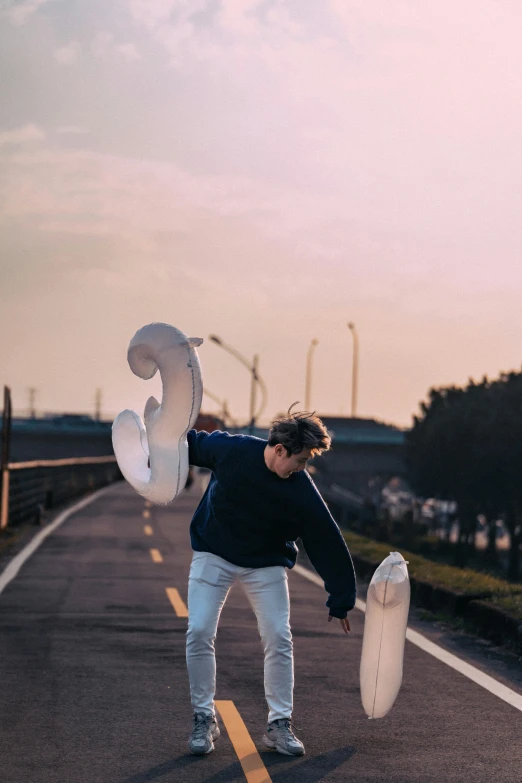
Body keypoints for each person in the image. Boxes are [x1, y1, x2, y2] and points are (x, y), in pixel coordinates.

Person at [185, 402, 357, 756]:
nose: (302, 468)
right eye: (300, 460)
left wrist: (341, 598)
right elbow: (188, 443)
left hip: (265, 563)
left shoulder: (300, 488)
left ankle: (279, 725)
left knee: (279, 636)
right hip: (213, 552)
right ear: (280, 450)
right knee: (199, 630)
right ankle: (204, 718)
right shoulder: (233, 451)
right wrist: (150, 440)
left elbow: (326, 538)